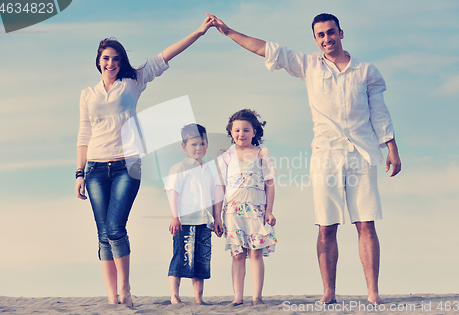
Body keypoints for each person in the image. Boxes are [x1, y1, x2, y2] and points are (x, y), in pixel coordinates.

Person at [207, 13, 401, 305]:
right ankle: (329, 292)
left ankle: (372, 293)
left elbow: (380, 113)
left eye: (331, 32)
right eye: (321, 35)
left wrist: (392, 148)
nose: (327, 39)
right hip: (325, 156)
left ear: (341, 33)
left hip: (362, 153)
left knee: (366, 224)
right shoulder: (309, 65)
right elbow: (266, 49)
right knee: (326, 226)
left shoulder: (365, 71)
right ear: (315, 39)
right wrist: (228, 31)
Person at [74, 17, 215, 307]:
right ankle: (112, 296)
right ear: (98, 61)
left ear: (121, 60)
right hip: (95, 168)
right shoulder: (88, 94)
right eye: (106, 58)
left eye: (115, 58)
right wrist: (79, 172)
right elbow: (83, 133)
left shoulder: (133, 81)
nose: (111, 63)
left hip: (128, 166)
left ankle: (125, 288)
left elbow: (166, 55)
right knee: (103, 234)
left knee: (115, 227)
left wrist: (199, 32)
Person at [216, 109, 277, 306]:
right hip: (232, 211)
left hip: (256, 209)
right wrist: (217, 216)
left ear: (254, 132)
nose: (241, 134)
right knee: (238, 254)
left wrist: (269, 211)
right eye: (237, 130)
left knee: (256, 251)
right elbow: (220, 187)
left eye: (246, 130)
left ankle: (257, 296)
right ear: (231, 132)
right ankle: (237, 297)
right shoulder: (225, 156)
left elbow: (270, 183)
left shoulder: (262, 153)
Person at [164, 123, 223, 305]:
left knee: (201, 259)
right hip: (185, 221)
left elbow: (216, 195)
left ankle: (198, 298)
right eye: (194, 144)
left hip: (205, 221)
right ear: (184, 146)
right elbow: (173, 191)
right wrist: (175, 216)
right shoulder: (179, 168)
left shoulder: (209, 168)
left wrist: (217, 218)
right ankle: (175, 296)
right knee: (181, 256)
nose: (199, 148)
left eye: (202, 144)